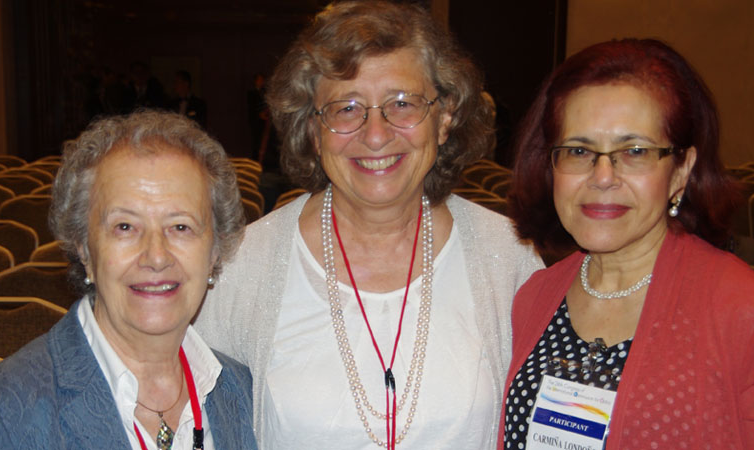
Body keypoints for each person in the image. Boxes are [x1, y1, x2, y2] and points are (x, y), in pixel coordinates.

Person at [194, 2, 543, 449]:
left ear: (445, 117)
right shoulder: (243, 267)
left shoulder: (509, 259)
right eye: (345, 108)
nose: (375, 134)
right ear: (313, 129)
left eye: (402, 103)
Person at [499, 39, 754, 449]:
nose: (602, 176)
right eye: (579, 150)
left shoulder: (743, 309)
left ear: (681, 171)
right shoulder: (534, 296)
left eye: (634, 151)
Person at [0, 111, 256, 449]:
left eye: (181, 226)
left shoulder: (239, 390)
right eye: (125, 227)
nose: (156, 256)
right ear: (84, 249)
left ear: (215, 251)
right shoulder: (3, 412)